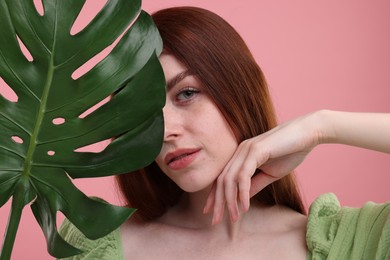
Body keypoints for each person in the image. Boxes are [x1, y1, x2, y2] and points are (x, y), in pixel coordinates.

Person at [59, 7, 390, 259]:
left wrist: (321, 126)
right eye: (143, 114)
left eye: (186, 94)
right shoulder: (93, 242)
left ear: (238, 90)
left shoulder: (350, 242)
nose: (165, 132)